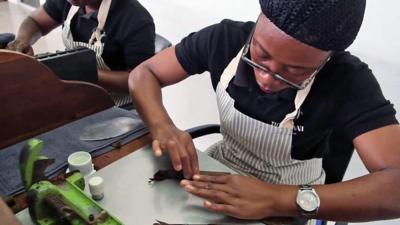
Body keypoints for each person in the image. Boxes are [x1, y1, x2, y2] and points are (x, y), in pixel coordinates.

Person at [129, 0, 400, 223]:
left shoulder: (348, 80)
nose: (267, 79)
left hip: (290, 197)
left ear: (327, 57)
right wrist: (163, 127)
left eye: (295, 71)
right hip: (220, 168)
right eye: (260, 55)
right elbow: (145, 73)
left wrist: (278, 199)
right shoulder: (224, 39)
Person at [7, 0, 155, 106]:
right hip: (79, 93)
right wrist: (23, 39)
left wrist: (83, 71)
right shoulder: (70, 2)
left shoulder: (135, 19)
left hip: (120, 106)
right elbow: (36, 21)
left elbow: (142, 80)